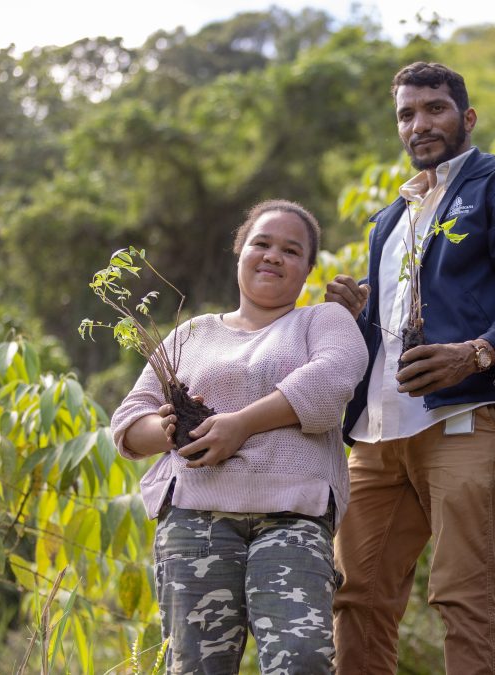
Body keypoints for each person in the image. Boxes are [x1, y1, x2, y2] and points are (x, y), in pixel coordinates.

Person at [324, 62, 495, 675]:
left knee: (463, 592)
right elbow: (411, 311)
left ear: (467, 117)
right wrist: (361, 312)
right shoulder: (391, 218)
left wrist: (473, 353)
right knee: (357, 596)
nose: (419, 124)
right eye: (407, 114)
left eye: (434, 109)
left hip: (470, 415)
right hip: (376, 433)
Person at [110, 200, 368, 673]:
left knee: (304, 660)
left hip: (292, 517)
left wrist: (239, 425)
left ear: (308, 269)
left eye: (291, 250)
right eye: (262, 243)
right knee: (196, 667)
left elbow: (333, 382)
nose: (273, 256)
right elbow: (129, 421)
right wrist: (168, 428)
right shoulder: (193, 333)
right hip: (194, 521)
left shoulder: (323, 321)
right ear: (240, 252)